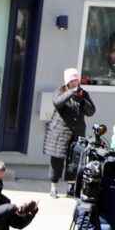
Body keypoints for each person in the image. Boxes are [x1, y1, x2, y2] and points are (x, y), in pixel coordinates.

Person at [42, 68, 96, 197]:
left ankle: (70, 187)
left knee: (74, 161)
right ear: (67, 82)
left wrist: (82, 101)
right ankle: (53, 186)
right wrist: (71, 93)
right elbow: (57, 103)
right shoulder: (60, 91)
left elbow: (91, 111)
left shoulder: (83, 93)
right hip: (60, 132)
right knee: (57, 160)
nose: (75, 82)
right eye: (72, 80)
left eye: (76, 80)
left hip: (77, 132)